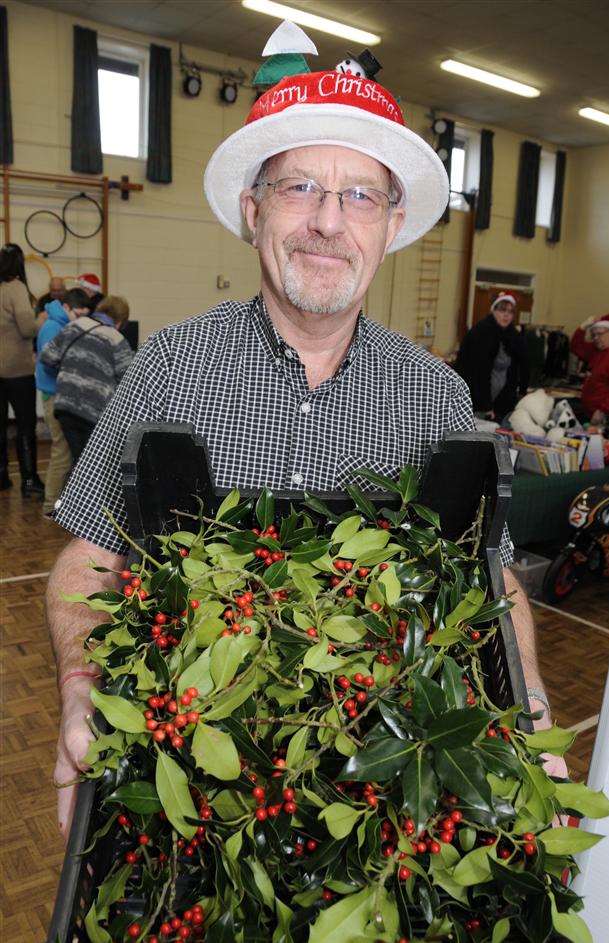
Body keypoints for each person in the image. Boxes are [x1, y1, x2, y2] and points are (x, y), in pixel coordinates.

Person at [45, 22, 564, 837]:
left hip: (371, 791)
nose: (328, 221)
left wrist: (524, 700)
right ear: (253, 213)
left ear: (390, 226)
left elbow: (488, 576)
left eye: (360, 194)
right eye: (298, 189)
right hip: (193, 781)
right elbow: (88, 556)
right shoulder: (170, 368)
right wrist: (83, 687)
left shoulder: (434, 397)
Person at [40, 295, 133, 466]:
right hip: (94, 413)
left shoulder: (74, 325)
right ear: (120, 321)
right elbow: (129, 381)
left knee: (76, 461)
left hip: (64, 406)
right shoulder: (117, 340)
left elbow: (46, 356)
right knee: (90, 467)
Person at [35, 287, 91, 514]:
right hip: (55, 395)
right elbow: (51, 361)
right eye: (78, 315)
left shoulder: (62, 324)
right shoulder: (52, 327)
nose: (81, 320)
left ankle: (61, 503)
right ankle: (50, 507)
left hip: (62, 395)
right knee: (61, 451)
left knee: (65, 451)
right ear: (66, 307)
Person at [0, 242, 44, 496]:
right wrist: (41, 319)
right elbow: (27, 328)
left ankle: (3, 476)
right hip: (17, 370)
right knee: (25, 426)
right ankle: (29, 480)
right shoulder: (16, 288)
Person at [454, 293, 529, 422]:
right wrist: (485, 406)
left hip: (501, 399)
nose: (506, 315)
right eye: (502, 310)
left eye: (510, 312)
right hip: (475, 397)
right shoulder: (481, 333)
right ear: (493, 311)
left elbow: (523, 365)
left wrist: (522, 391)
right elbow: (478, 372)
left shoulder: (514, 336)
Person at [570, 315, 609, 424]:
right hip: (589, 410)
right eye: (594, 335)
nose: (596, 338)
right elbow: (576, 346)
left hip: (602, 415)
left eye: (599, 334)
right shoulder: (597, 351)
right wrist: (583, 327)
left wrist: (603, 410)